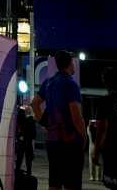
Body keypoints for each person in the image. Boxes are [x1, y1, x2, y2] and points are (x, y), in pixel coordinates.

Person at [31, 50, 87, 190]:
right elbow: (76, 116)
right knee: (71, 183)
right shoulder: (70, 84)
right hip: (70, 142)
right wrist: (84, 136)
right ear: (70, 63)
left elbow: (35, 103)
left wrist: (45, 122)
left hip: (53, 141)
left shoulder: (49, 82)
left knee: (54, 182)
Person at [16, 103, 37, 175]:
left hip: (23, 141)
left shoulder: (23, 118)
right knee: (28, 159)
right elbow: (34, 134)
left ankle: (18, 172)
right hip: (28, 142)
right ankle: (28, 173)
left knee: (20, 158)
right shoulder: (31, 120)